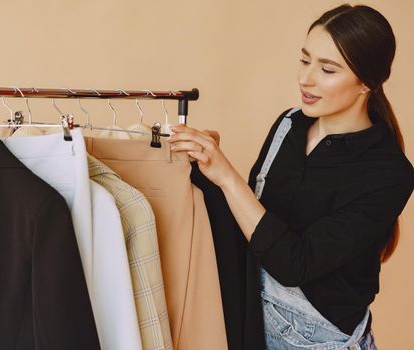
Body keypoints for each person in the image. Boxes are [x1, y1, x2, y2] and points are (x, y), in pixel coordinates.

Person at [167, 4, 414, 350]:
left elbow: (293, 263)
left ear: (366, 83)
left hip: (318, 341)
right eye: (304, 60)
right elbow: (253, 224)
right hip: (253, 321)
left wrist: (226, 176)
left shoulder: (388, 173)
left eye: (327, 69)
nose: (306, 79)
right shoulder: (290, 124)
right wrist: (206, 166)